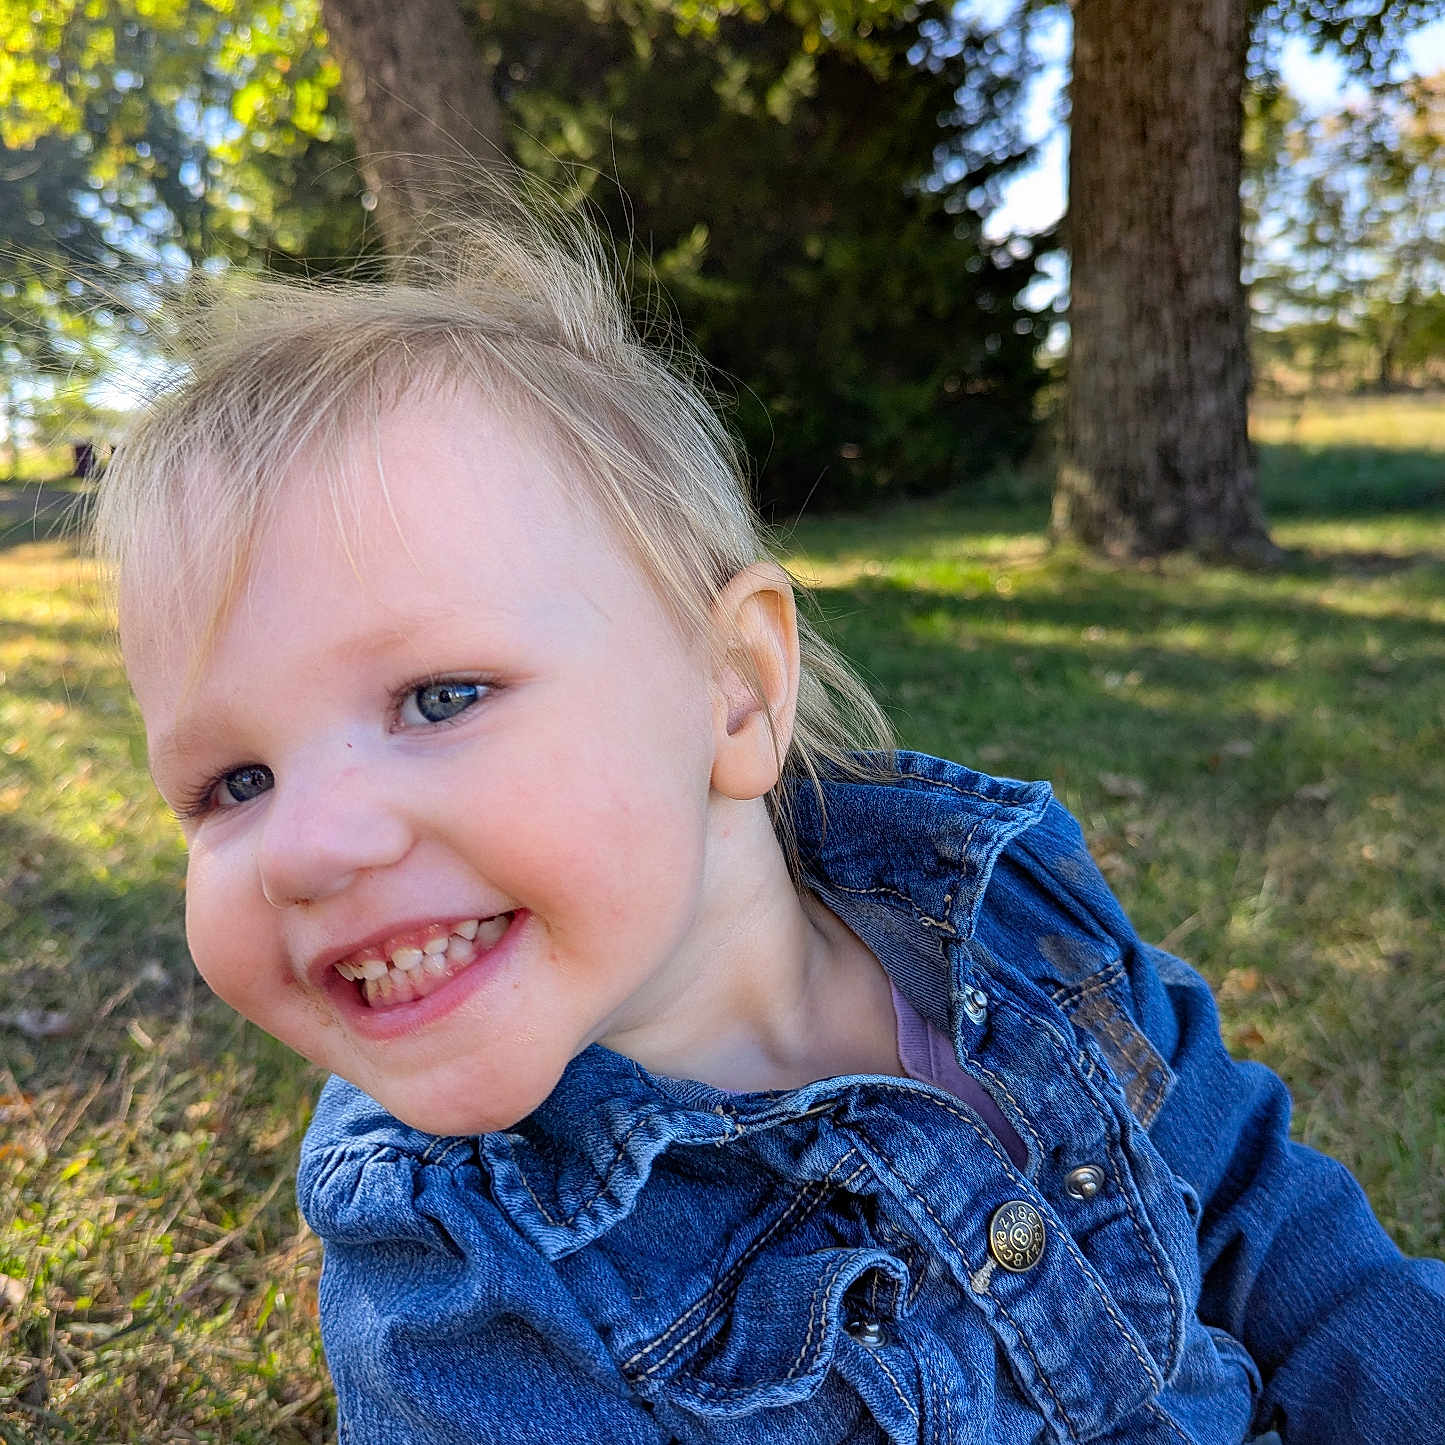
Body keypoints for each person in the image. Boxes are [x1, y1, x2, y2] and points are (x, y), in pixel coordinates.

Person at [95, 188, 1445, 1445]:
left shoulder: (1001, 906)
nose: (310, 846)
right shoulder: (461, 1277)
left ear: (734, 690)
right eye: (233, 783)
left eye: (439, 696)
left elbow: (1271, 1229)